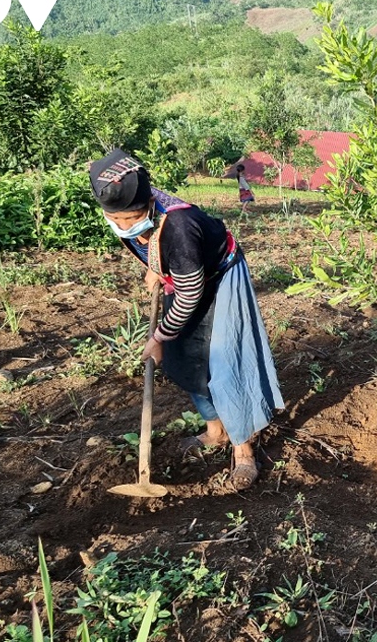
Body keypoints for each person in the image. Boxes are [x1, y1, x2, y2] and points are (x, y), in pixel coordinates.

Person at [89, 148, 284, 489]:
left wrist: (159, 336)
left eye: (131, 219)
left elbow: (190, 293)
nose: (125, 227)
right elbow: (156, 249)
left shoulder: (180, 226)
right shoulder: (127, 212)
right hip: (185, 275)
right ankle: (215, 431)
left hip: (220, 279)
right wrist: (155, 266)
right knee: (183, 361)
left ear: (147, 204)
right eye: (118, 220)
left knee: (224, 365)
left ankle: (243, 450)